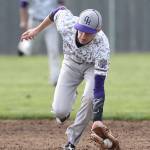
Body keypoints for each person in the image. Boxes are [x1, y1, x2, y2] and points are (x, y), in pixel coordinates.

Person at [20, 6, 120, 150]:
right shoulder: (67, 24)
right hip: (70, 63)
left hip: (91, 67)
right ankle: (69, 99)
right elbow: (57, 11)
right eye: (81, 29)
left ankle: (71, 142)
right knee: (60, 112)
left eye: (88, 32)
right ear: (77, 23)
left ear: (97, 31)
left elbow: (98, 86)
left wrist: (97, 119)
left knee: (90, 98)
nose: (83, 35)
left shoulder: (102, 47)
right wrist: (36, 30)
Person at [18, 0, 64, 86]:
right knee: (31, 50)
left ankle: (55, 79)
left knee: (53, 50)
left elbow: (61, 4)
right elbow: (23, 5)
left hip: (51, 23)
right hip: (35, 22)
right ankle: (23, 47)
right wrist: (23, 21)